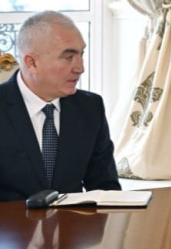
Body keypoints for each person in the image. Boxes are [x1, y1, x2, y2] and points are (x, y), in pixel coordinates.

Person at [0, 11, 120, 202]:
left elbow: (105, 187)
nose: (80, 68)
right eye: (68, 57)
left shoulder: (90, 108)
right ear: (32, 63)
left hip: (74, 220)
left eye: (81, 55)